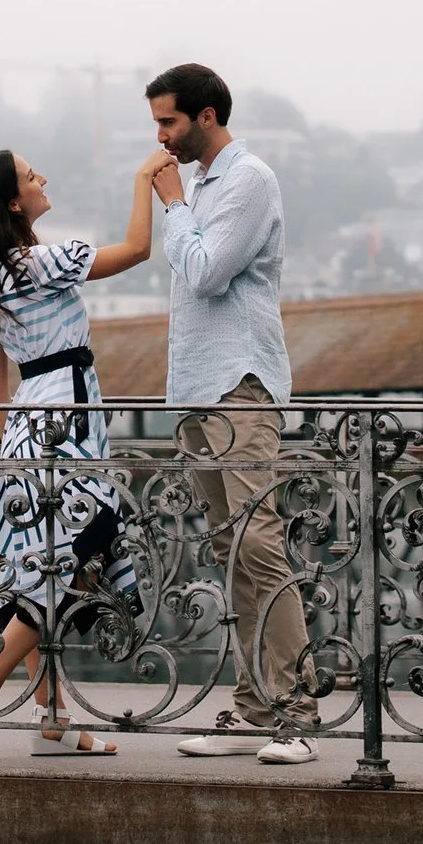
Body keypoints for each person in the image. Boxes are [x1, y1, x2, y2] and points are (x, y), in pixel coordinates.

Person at [0, 144, 172, 759]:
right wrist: (143, 178)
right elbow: (137, 250)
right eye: (29, 175)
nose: (43, 176)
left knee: (46, 564)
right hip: (66, 416)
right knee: (81, 551)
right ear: (15, 202)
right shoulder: (40, 262)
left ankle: (52, 721)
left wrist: (10, 449)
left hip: (24, 425)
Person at [145, 62, 318, 765]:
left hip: (240, 385)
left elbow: (207, 271)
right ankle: (252, 707)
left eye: (168, 121)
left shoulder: (247, 180)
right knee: (230, 549)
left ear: (207, 115)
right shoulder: (203, 185)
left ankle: (298, 710)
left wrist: (172, 206)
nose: (159, 135)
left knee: (259, 543)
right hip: (196, 387)